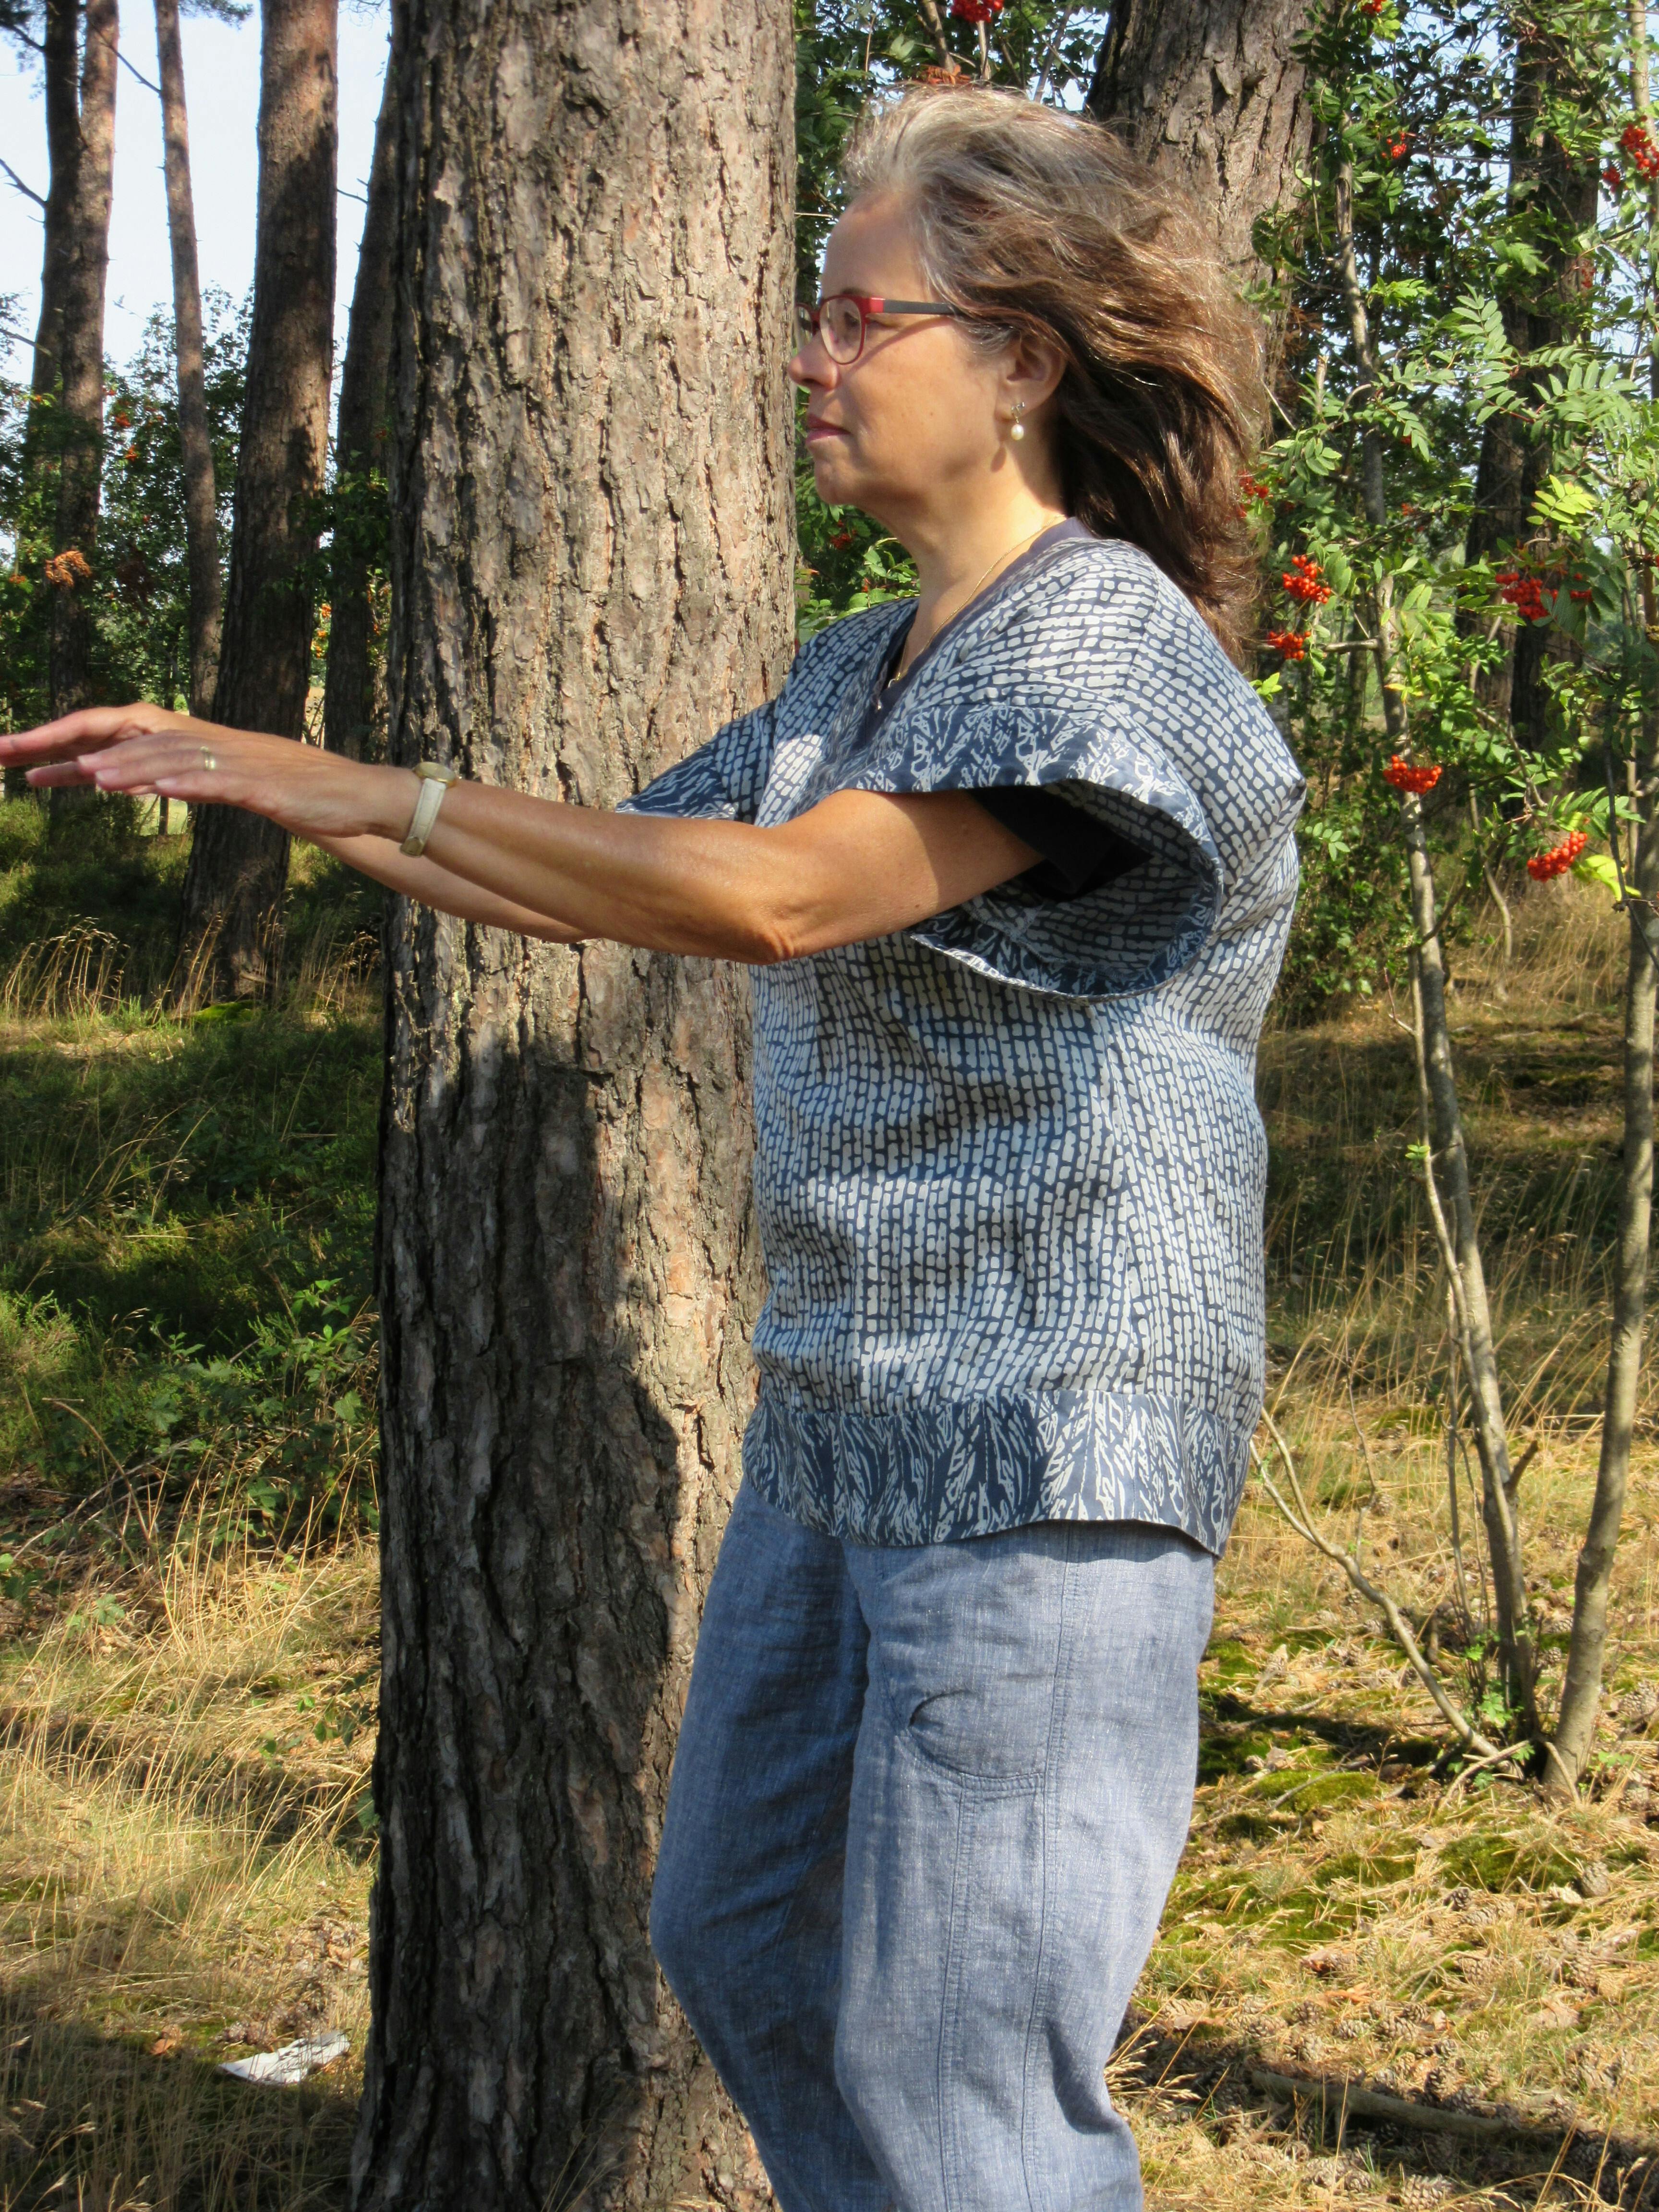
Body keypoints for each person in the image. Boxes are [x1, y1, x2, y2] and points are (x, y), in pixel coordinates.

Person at [1, 85, 1303, 2212]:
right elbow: (607, 875)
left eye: (858, 315)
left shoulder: (1107, 652)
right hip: (842, 1430)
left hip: (1058, 1440)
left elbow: (771, 897)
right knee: (751, 1945)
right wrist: (271, 792)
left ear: (1022, 364)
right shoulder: (857, 667)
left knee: (963, 2062)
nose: (811, 353)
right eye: (811, 309)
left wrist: (311, 761)